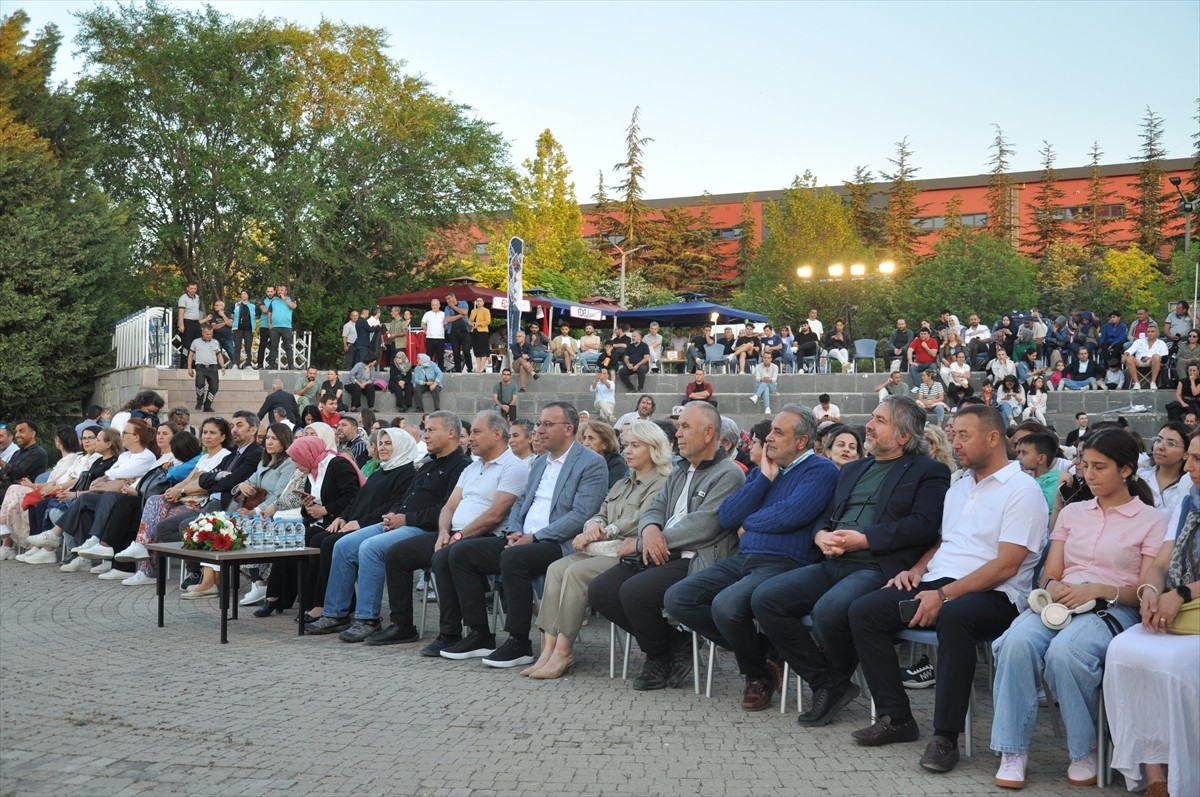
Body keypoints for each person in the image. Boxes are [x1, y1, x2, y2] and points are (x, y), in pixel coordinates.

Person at [846, 404, 1047, 773]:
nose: (954, 444)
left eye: (963, 436)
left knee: (955, 617)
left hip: (997, 594)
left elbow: (1007, 565)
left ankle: (945, 737)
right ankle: (896, 717)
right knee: (864, 611)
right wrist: (916, 571)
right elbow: (945, 541)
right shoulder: (960, 485)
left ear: (993, 437)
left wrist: (943, 596)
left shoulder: (1023, 490)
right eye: (953, 435)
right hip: (939, 582)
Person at [752, 397, 950, 727]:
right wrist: (820, 536)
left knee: (828, 611)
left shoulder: (929, 471)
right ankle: (828, 682)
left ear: (904, 436)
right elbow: (826, 516)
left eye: (880, 421)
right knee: (765, 598)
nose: (868, 426)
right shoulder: (854, 469)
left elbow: (923, 525)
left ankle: (831, 683)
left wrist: (866, 539)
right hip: (833, 561)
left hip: (878, 566)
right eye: (872, 417)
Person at [990, 428, 1164, 790]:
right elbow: (1050, 572)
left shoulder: (1151, 520)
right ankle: (1012, 750)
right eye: (1086, 465)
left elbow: (1144, 591)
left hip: (1112, 607)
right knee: (1016, 643)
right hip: (1060, 602)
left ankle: (1083, 750)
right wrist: (1053, 586)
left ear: (1126, 470)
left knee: (1067, 653)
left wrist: (1099, 590)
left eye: (1100, 467)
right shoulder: (1073, 513)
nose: (1089, 475)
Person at [665, 405, 839, 710]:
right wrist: (763, 480)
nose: (768, 438)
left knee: (726, 605)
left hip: (785, 563)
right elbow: (728, 516)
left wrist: (750, 521)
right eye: (770, 431)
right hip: (746, 560)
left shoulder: (820, 470)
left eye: (778, 433)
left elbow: (790, 515)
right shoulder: (764, 471)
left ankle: (756, 676)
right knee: (679, 598)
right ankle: (765, 650)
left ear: (801, 442)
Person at [589, 401, 747, 691]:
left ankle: (657, 656)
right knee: (601, 591)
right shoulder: (680, 470)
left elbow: (705, 526)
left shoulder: (729, 474)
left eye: (685, 427)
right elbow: (655, 508)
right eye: (679, 427)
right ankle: (675, 643)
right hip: (660, 551)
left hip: (696, 558)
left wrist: (644, 541)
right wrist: (650, 530)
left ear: (708, 433)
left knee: (635, 592)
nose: (678, 434)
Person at [436, 402, 608, 667]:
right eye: (539, 424)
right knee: (460, 552)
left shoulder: (591, 463)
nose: (540, 430)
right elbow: (520, 502)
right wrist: (515, 531)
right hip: (522, 538)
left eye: (547, 424)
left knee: (514, 559)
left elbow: (580, 515)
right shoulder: (540, 463)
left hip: (558, 543)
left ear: (568, 429)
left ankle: (519, 642)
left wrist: (534, 538)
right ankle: (479, 634)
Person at [525, 420, 673, 679]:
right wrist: (592, 525)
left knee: (576, 573)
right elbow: (601, 512)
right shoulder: (623, 483)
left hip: (629, 553)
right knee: (556, 569)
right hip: (603, 549)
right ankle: (548, 649)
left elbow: (641, 520)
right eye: (626, 445)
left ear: (654, 448)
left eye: (636, 446)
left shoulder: (661, 482)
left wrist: (604, 530)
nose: (627, 451)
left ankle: (564, 651)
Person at [1103, 432, 1200, 797]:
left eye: (1198, 460)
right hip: (1179, 603)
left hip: (1187, 602)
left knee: (1173, 663)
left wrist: (1182, 593)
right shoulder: (1189, 502)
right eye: (1189, 457)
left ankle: (1186, 768)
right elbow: (1160, 563)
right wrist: (1150, 592)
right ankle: (1154, 771)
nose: (1189, 468)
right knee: (1122, 651)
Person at [374, 412, 520, 648]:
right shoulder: (472, 468)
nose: (469, 438)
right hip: (453, 534)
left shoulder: (513, 467)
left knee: (446, 555)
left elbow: (494, 515)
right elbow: (449, 507)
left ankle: (452, 633)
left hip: (486, 536)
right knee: (396, 554)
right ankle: (402, 625)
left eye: (476, 432)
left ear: (497, 434)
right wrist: (444, 532)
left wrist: (458, 536)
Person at [301, 428, 423, 635]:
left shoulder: (406, 473)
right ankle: (331, 610)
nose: (382, 447)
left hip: (378, 525)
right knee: (320, 539)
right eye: (381, 443)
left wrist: (360, 523)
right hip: (357, 522)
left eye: (388, 443)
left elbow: (393, 507)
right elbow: (357, 499)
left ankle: (341, 609)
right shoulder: (381, 470)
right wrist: (343, 517)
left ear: (402, 446)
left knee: (330, 543)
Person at [1137, 422, 1190, 518]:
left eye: (1170, 443)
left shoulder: (1189, 486)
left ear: (1186, 454)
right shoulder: (1139, 478)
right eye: (1158, 440)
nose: (1160, 447)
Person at [187, 325, 226, 412]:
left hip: (213, 368)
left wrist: (222, 366)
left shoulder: (215, 342)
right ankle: (199, 400)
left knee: (214, 388)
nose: (209, 336)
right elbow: (190, 355)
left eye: (211, 334)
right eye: (207, 334)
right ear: (203, 333)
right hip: (200, 367)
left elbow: (219, 355)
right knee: (199, 384)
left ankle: (207, 405)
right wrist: (189, 368)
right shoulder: (196, 342)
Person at [581, 420, 627, 488]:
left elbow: (611, 492)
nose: (585, 443)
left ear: (605, 444)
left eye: (591, 438)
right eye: (584, 438)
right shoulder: (582, 462)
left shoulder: (617, 465)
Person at [1124, 325, 1169, 389]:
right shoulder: (1139, 341)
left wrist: (1150, 358)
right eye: (1148, 331)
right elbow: (1130, 350)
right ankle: (1136, 383)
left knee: (1156, 357)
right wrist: (1125, 355)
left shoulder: (1162, 343)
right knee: (1129, 358)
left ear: (1157, 333)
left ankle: (1153, 382)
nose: (1150, 333)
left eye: (1152, 331)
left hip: (1153, 362)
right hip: (1139, 362)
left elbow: (1164, 357)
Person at [265, 283, 298, 369]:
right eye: (278, 290)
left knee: (288, 347)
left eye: (282, 290)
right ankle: (271, 365)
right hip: (275, 327)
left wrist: (285, 299)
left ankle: (291, 365)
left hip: (286, 327)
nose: (280, 292)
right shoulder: (274, 301)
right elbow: (269, 312)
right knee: (273, 346)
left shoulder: (290, 299)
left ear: (286, 291)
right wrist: (269, 324)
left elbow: (294, 306)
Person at [443, 291, 472, 373]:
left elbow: (465, 312)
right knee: (456, 352)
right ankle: (458, 369)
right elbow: (448, 319)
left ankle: (470, 368)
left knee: (466, 351)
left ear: (453, 297)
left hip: (465, 331)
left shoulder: (463, 303)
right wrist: (460, 315)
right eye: (446, 299)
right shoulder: (447, 308)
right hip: (453, 332)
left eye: (449, 298)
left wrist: (453, 306)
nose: (448, 301)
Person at [176, 281, 204, 365]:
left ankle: (195, 363)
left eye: (194, 288)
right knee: (187, 344)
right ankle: (184, 363)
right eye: (191, 288)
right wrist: (181, 325)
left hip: (196, 322)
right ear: (187, 288)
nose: (193, 290)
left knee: (198, 342)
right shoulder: (183, 298)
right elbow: (181, 312)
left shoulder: (197, 297)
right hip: (187, 322)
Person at [230, 290, 256, 369]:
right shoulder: (236, 304)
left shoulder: (253, 306)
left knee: (248, 346)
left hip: (249, 328)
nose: (243, 295)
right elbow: (232, 314)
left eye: (245, 294)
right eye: (242, 294)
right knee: (237, 346)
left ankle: (248, 364)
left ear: (248, 295)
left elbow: (255, 316)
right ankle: (235, 363)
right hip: (238, 328)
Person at [748, 350, 779, 415]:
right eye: (765, 358)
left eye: (768, 358)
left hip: (772, 385)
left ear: (771, 359)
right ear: (762, 358)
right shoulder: (758, 366)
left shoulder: (775, 367)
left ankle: (756, 395)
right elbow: (757, 378)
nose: (766, 359)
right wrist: (762, 379)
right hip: (761, 384)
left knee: (766, 383)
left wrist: (769, 379)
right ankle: (767, 408)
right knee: (766, 388)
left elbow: (774, 378)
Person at [421, 298, 446, 369]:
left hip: (440, 338)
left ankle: (440, 370)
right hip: (430, 338)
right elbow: (423, 324)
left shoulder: (443, 314)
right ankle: (428, 370)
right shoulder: (427, 314)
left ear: (439, 305)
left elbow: (446, 325)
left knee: (440, 356)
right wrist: (427, 330)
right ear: (431, 306)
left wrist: (442, 330)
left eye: (436, 305)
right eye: (433, 305)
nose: (434, 306)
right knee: (429, 356)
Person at [255, 285, 275, 369]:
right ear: (266, 292)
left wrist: (269, 309)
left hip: (274, 326)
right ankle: (260, 365)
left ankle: (271, 364)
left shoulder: (278, 300)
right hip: (264, 325)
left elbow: (267, 310)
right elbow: (263, 310)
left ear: (274, 292)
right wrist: (274, 309)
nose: (270, 293)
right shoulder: (262, 300)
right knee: (262, 345)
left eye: (271, 291)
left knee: (273, 346)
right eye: (268, 291)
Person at [469, 298, 492, 373]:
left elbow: (488, 321)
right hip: (474, 331)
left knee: (483, 349)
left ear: (483, 302)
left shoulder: (486, 310)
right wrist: (472, 324)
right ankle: (478, 367)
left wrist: (479, 324)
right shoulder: (473, 311)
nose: (479, 302)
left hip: (483, 331)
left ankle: (482, 367)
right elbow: (469, 321)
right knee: (476, 350)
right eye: (477, 301)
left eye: (480, 301)